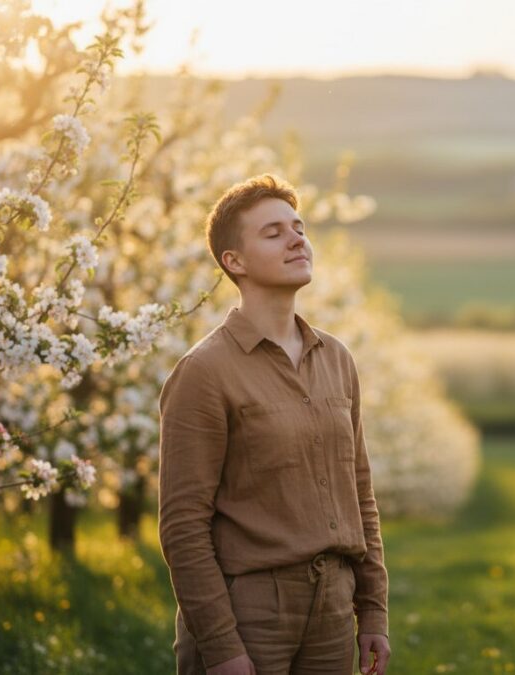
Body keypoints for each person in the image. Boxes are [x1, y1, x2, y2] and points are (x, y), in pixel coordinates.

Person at [157, 173, 392, 675]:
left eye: (299, 227)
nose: (296, 239)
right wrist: (221, 645)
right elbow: (183, 526)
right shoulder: (204, 373)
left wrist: (372, 609)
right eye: (273, 232)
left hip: (332, 607)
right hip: (250, 610)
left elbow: (360, 493)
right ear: (233, 261)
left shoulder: (337, 359)